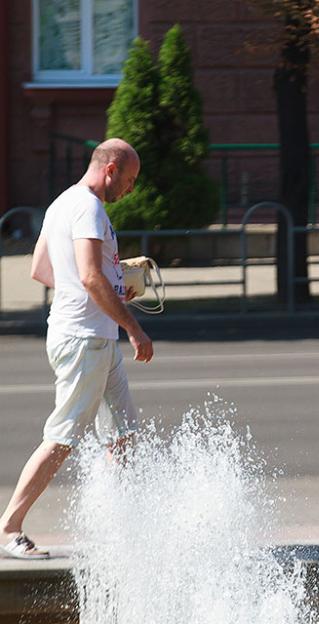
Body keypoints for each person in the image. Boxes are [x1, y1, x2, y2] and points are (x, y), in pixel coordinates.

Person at [0, 138, 153, 560]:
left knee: (124, 433)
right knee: (62, 437)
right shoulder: (88, 208)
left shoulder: (58, 205)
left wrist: (111, 282)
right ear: (111, 169)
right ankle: (10, 527)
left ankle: (115, 527)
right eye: (130, 179)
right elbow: (88, 276)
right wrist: (134, 328)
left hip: (93, 336)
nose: (131, 189)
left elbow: (40, 270)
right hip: (85, 339)